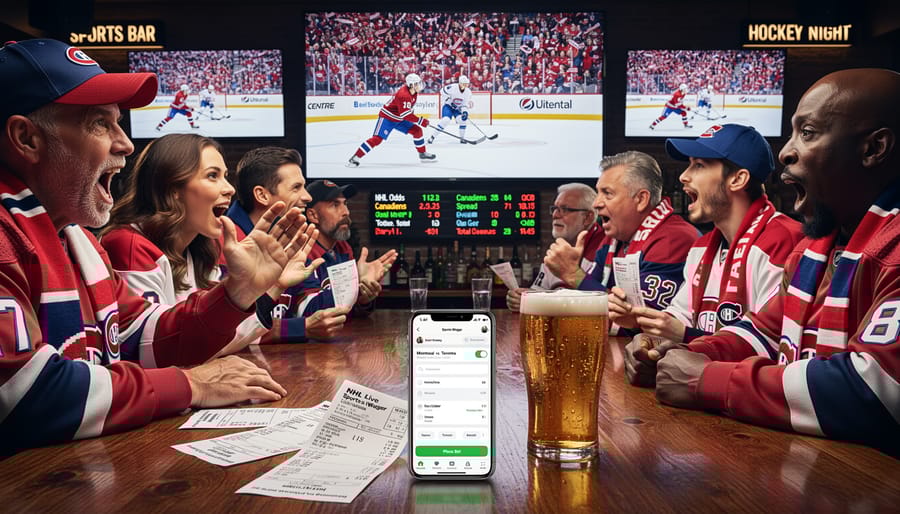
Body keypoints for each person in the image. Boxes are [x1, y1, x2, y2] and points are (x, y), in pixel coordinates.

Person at [0, 39, 300, 450]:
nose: (125, 144)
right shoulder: (8, 236)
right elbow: (24, 396)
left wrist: (237, 294)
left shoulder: (77, 238)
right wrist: (188, 384)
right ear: (26, 138)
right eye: (100, 124)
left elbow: (144, 337)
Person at [627, 68, 900, 457]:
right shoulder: (815, 247)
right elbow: (764, 334)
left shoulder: (885, 245)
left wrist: (708, 378)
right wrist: (677, 355)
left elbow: (876, 390)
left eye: (806, 133)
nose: (786, 151)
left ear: (873, 149)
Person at [100, 134, 321, 357]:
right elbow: (152, 353)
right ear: (172, 187)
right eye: (213, 176)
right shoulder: (127, 244)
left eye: (225, 176)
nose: (230, 189)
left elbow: (216, 339)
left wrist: (276, 284)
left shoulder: (200, 247)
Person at [609, 124, 803, 347]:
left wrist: (684, 336)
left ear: (738, 179)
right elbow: (679, 319)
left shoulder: (784, 241)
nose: (683, 176)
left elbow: (773, 345)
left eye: (699, 165)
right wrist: (638, 322)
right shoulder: (701, 247)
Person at [544, 151, 699, 334]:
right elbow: (587, 301)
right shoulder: (613, 239)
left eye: (607, 193)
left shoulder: (674, 239)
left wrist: (572, 274)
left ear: (641, 199)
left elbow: (639, 324)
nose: (596, 203)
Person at [226, 147, 357, 341]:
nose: (307, 197)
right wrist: (299, 328)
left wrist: (357, 290)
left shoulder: (289, 239)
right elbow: (225, 328)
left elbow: (311, 310)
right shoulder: (225, 242)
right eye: (296, 188)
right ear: (262, 196)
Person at [298, 180, 397, 325]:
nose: (346, 212)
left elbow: (349, 313)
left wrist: (363, 298)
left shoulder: (343, 249)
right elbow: (307, 312)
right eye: (335, 205)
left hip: (339, 342)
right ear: (313, 215)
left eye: (345, 204)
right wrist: (354, 287)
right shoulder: (302, 252)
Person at [506, 182, 601, 311]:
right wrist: (522, 298)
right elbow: (539, 292)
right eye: (555, 208)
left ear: (588, 218)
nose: (555, 215)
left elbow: (597, 304)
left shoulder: (604, 248)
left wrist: (537, 303)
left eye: (565, 209)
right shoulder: (558, 249)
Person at [347, 73, 436, 166]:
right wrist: (420, 121)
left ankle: (422, 154)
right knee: (377, 139)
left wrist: (417, 120)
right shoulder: (404, 95)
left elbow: (406, 111)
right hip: (387, 118)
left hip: (399, 118)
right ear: (411, 85)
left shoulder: (414, 93)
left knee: (417, 131)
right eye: (417, 83)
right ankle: (355, 158)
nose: (420, 85)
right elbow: (405, 114)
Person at [427, 75, 473, 144]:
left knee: (463, 120)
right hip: (448, 106)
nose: (466, 86)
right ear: (460, 83)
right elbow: (442, 91)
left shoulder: (468, 92)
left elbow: (464, 104)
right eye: (464, 84)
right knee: (445, 120)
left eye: (467, 84)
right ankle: (432, 137)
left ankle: (462, 138)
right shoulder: (452, 87)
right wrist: (449, 99)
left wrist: (465, 112)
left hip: (457, 109)